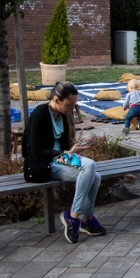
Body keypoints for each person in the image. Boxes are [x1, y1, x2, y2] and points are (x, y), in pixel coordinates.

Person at [23, 82, 105, 244]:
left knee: (95, 177)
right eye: (69, 104)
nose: (72, 108)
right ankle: (73, 215)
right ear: (56, 100)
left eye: (74, 104)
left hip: (60, 159)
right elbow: (36, 151)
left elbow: (64, 146)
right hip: (43, 164)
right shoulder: (40, 114)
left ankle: (87, 219)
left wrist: (69, 152)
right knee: (90, 166)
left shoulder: (64, 114)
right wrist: (65, 153)